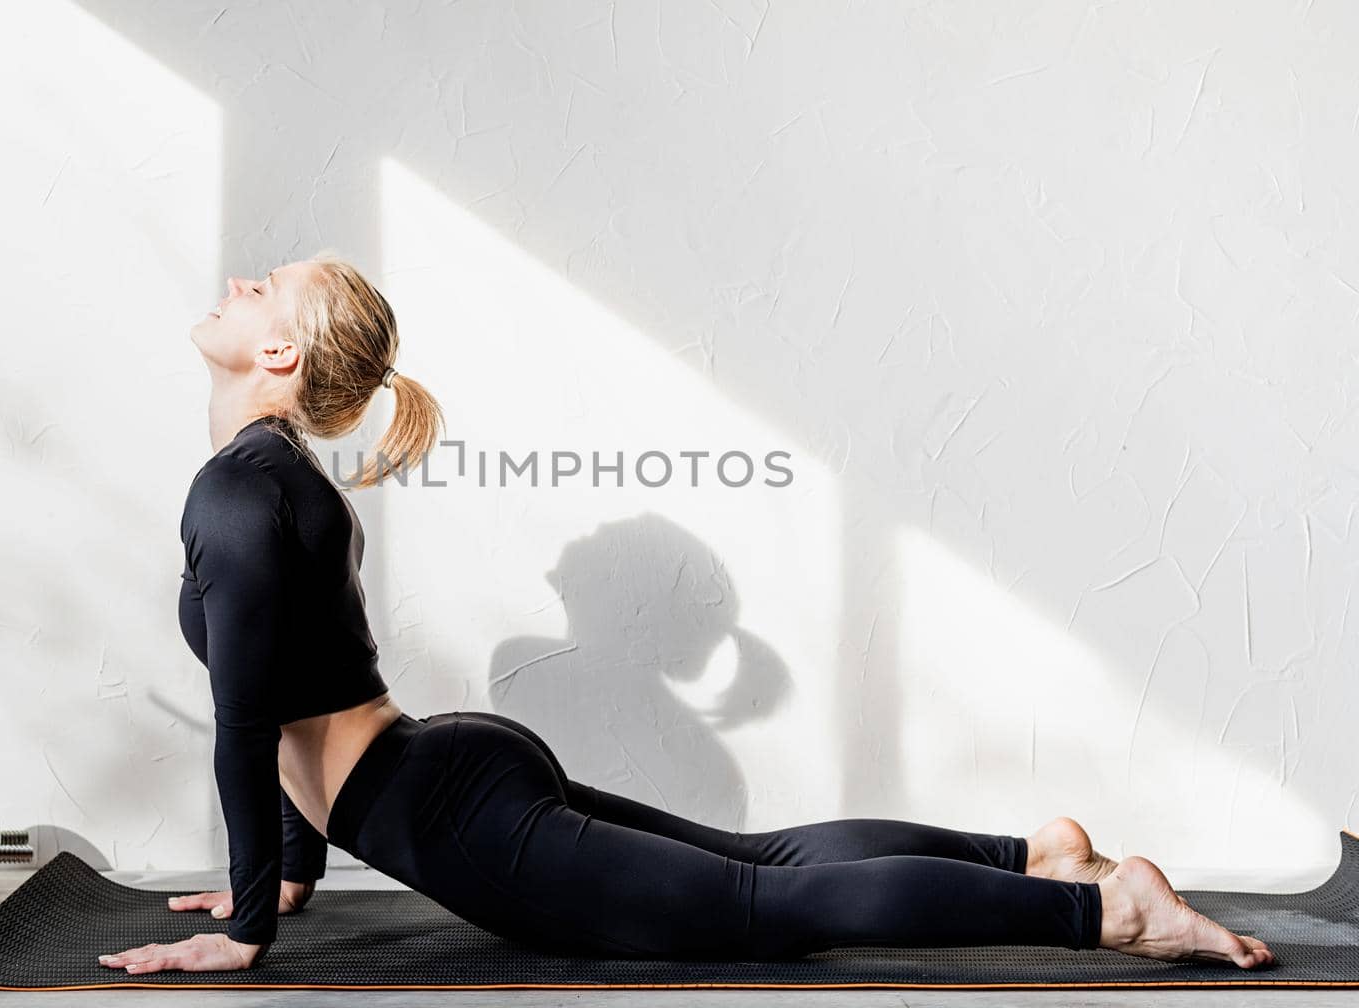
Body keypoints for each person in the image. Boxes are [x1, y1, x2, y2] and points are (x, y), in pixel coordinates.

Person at [98, 252, 1275, 975]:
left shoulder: (242, 487)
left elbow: (251, 718)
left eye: (269, 284)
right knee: (761, 865)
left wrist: (249, 923)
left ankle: (1104, 909)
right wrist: (291, 874)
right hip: (441, 770)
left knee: (770, 905)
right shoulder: (275, 482)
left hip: (441, 803)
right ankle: (1035, 852)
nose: (244, 281)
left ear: (277, 351)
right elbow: (301, 681)